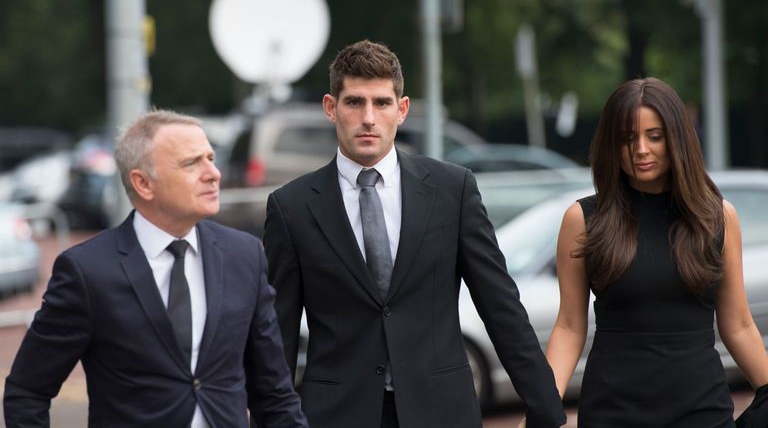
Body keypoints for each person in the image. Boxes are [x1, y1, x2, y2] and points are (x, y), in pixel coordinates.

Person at [262, 39, 566, 428]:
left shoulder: (453, 189)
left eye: (382, 103)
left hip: (442, 411)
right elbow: (278, 336)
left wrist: (546, 410)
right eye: (354, 102)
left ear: (401, 110)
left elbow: (500, 305)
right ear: (330, 108)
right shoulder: (291, 207)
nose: (368, 118)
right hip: (337, 414)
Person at [3, 110, 308, 427]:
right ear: (143, 183)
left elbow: (274, 395)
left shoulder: (244, 256)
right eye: (191, 163)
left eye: (210, 158)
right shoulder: (87, 271)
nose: (213, 173)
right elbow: (27, 392)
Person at [545, 77, 768, 427]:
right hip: (612, 412)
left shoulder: (718, 217)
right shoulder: (583, 219)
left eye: (655, 136)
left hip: (702, 412)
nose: (641, 150)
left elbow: (738, 323)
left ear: (677, 139)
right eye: (628, 138)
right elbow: (570, 326)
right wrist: (542, 406)